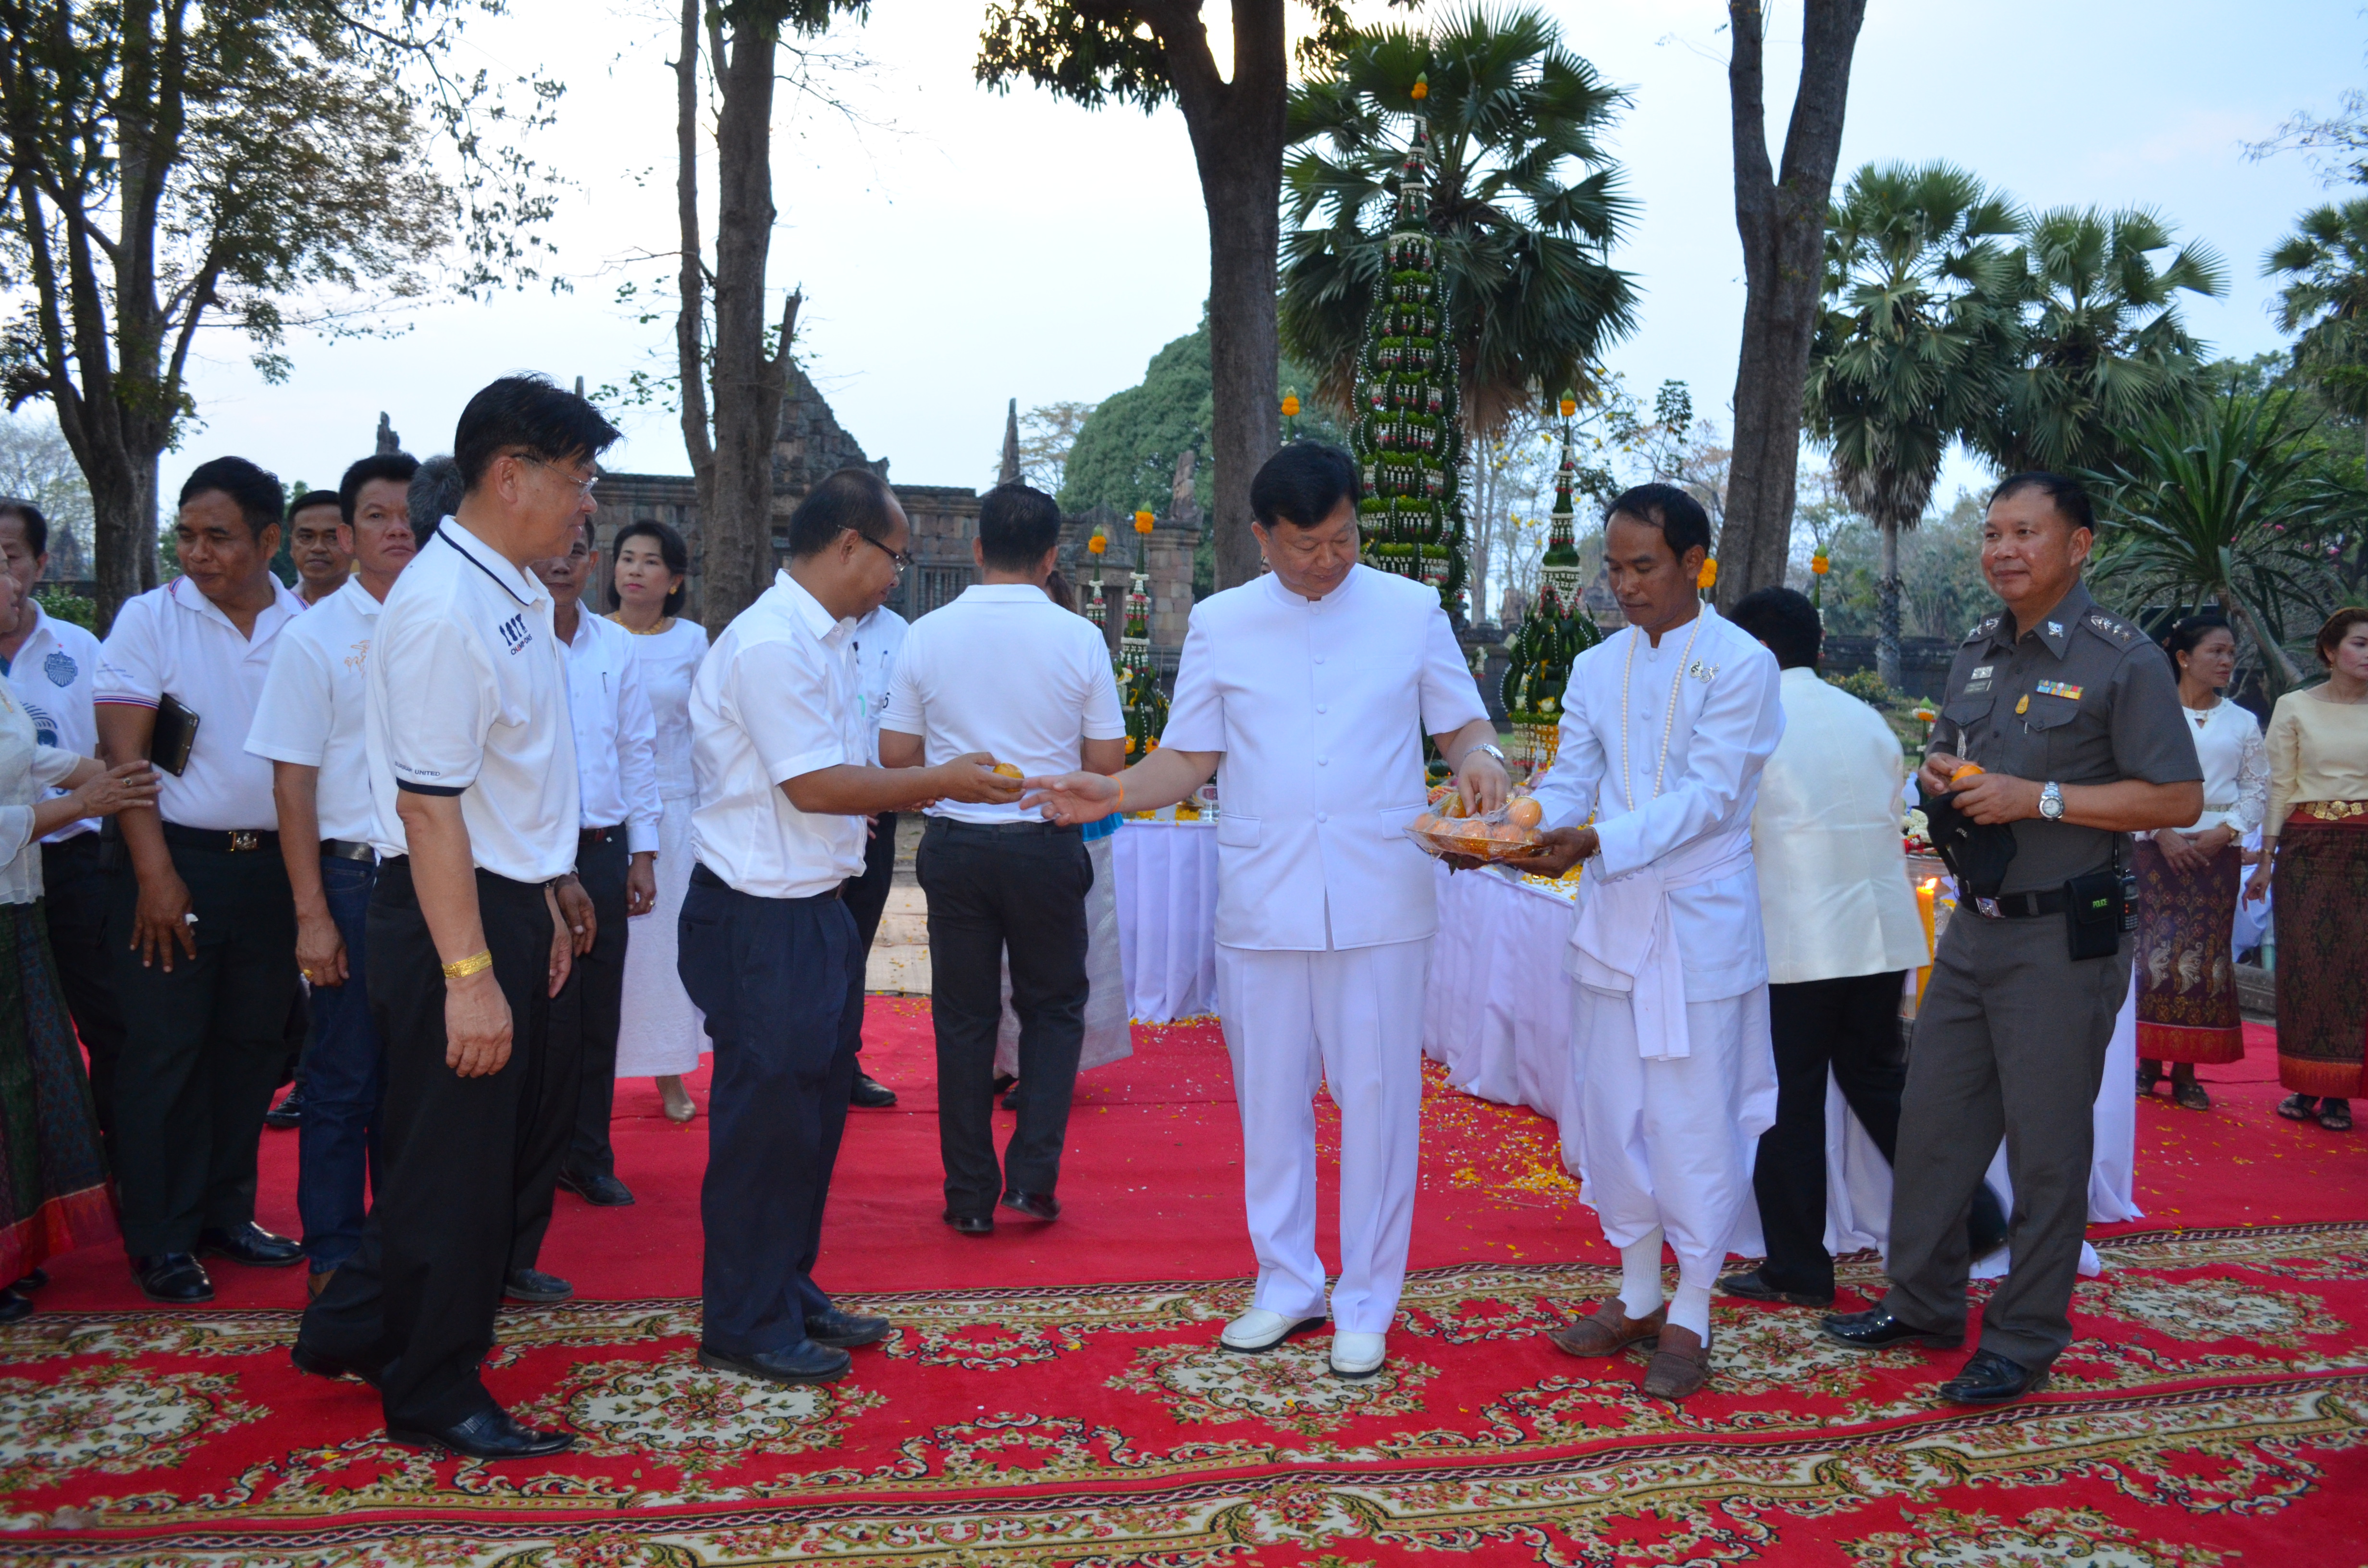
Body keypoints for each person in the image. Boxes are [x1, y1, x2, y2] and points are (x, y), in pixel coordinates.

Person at [1024, 442, 1505, 1381]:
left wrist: (1481, 758)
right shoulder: (1222, 623)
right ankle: (1287, 1283)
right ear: (1260, 538)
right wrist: (1111, 791)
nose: (1326, 561)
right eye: (1304, 546)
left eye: (1342, 540)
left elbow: (1460, 723)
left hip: (1379, 895)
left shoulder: (1409, 610)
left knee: (1377, 1102)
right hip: (1263, 895)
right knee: (1270, 1102)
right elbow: (1188, 758)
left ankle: (1366, 1298)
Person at [1821, 472, 2201, 1406]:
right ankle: (1922, 1301)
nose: (2002, 549)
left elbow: (2176, 796)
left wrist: (2041, 798)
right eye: (1992, 532)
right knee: (1931, 1125)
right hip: (1975, 928)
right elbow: (1953, 752)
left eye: (2025, 532)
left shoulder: (2123, 659)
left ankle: (2023, 1336)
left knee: (2044, 1148)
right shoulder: (1977, 651)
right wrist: (1941, 776)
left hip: (2063, 939)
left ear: (2078, 545)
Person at [292, 375, 609, 1461]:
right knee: (458, 1169)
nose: (587, 504)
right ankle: (433, 1388)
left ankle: (351, 1327)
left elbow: (511, 770)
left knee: (471, 1151)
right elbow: (428, 810)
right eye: (578, 478)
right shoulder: (442, 608)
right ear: (511, 474)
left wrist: (553, 882)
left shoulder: (504, 584)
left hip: (505, 896)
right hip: (449, 916)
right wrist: (469, 975)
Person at [681, 466, 1018, 1387]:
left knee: (811, 1115)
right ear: (845, 545)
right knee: (765, 1122)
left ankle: (786, 1286)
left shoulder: (825, 639)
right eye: (892, 557)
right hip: (759, 914)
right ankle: (743, 1317)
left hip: (813, 906)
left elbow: (841, 769)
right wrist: (940, 780)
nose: (896, 576)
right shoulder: (771, 643)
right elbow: (815, 783)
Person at [1511, 485, 1783, 1402]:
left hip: (1697, 920)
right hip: (1611, 919)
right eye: (1614, 567)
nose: (1623, 585)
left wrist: (1595, 839)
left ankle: (1692, 1307)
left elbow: (1710, 796)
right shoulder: (1597, 665)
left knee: (1692, 1120)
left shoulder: (1742, 663)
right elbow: (1570, 777)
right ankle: (1635, 1291)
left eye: (1643, 566)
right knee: (1608, 1109)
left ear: (1694, 562)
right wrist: (1515, 828)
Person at [1719, 586, 2007, 1312]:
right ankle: (1973, 1212)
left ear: (1751, 650)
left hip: (1795, 938)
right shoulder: (1866, 719)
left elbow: (1722, 831)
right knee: (1879, 1083)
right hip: (1880, 934)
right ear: (1817, 647)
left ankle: (1798, 1267)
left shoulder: (1747, 720)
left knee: (1786, 1101)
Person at [879, 481, 1125, 1234]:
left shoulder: (926, 633)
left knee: (963, 1019)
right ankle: (1033, 1180)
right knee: (1054, 1009)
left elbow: (895, 754)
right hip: (1044, 839)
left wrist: (952, 766)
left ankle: (967, 1196)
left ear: (978, 548)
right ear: (1052, 558)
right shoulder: (1077, 637)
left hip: (957, 843)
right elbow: (1106, 762)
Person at [94, 457, 310, 1304]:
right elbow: (126, 762)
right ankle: (162, 1237)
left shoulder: (304, 625)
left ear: (268, 538)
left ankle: (226, 1213)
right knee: (166, 1050)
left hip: (273, 870)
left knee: (251, 1048)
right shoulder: (150, 619)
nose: (197, 553)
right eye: (185, 535)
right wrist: (155, 874)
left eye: (218, 536)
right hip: (173, 863)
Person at [244, 452, 419, 1299]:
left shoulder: (447, 624)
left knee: (421, 1079)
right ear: (348, 535)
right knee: (344, 1075)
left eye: (410, 515)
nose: (398, 530)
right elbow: (292, 783)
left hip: (440, 880)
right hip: (352, 880)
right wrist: (311, 914)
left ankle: (407, 1247)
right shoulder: (312, 638)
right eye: (378, 516)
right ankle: (335, 1259)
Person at [0, 565, 156, 1321]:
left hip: (18, 904)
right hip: (19, 884)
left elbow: (36, 761)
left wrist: (142, 772)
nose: (12, 582)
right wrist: (84, 804)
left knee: (21, 1076)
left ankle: (12, 1249)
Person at [513, 514, 660, 1266]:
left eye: (576, 552)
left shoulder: (617, 649)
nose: (562, 564)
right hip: (531, 857)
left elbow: (637, 749)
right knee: (541, 1016)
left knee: (598, 1012)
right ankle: (525, 1161)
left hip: (602, 851)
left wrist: (644, 853)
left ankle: (587, 1154)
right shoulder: (510, 640)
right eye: (552, 552)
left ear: (592, 563)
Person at [0, 501, 120, 1160]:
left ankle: (109, 1168)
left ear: (41, 564)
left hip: (72, 869)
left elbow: (72, 758)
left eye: (11, 560)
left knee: (105, 1021)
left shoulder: (81, 649)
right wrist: (86, 797)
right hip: (8, 876)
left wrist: (126, 785)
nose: (9, 579)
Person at [2135, 615, 2268, 1109]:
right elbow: (2127, 777)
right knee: (2152, 953)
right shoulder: (2149, 713)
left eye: (2231, 652)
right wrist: (2161, 831)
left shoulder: (2242, 721)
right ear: (2183, 658)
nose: (2227, 661)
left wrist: (2225, 833)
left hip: (2217, 854)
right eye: (2216, 651)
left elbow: (2257, 787)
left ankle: (2187, 1071)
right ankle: (2147, 1062)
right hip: (2155, 848)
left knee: (2204, 957)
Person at [606, 519, 712, 1126]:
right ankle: (592, 1073)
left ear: (673, 580)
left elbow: (710, 733)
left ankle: (669, 1069)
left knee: (664, 950)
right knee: (609, 948)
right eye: (627, 558)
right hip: (606, 813)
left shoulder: (693, 642)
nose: (635, 570)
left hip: (675, 813)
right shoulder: (590, 635)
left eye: (650, 561)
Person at [2247, 606, 2368, 1133]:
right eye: (2360, 644)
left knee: (2355, 969)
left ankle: (2341, 1092)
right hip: (2307, 847)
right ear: (2329, 651)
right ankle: (2305, 1081)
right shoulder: (2293, 705)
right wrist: (2265, 861)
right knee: (2305, 967)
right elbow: (2279, 785)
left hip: (2364, 847)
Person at [841, 593, 910, 1112]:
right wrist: (846, 798)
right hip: (814, 806)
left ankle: (843, 1063)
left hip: (877, 813)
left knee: (855, 942)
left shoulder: (902, 634)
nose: (890, 578)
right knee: (808, 944)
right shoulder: (809, 626)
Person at [286, 490, 353, 608]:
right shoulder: (273, 611)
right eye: (307, 537)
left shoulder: (380, 611)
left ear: (354, 544)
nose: (318, 548)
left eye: (333, 538)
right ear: (292, 545)